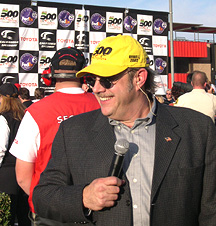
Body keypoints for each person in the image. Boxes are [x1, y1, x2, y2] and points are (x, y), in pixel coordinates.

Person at [33, 35, 216, 226]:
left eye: (106, 80)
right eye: (91, 79)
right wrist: (83, 197)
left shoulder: (197, 129)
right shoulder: (73, 131)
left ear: (138, 78)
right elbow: (43, 197)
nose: (96, 88)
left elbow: (211, 209)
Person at [9, 47, 100, 225]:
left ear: (50, 74)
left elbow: (22, 176)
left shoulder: (36, 111)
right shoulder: (103, 105)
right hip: (96, 209)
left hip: (50, 211)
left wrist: (49, 201)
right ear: (84, 73)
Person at [0, 83, 30, 226]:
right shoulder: (26, 116)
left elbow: (1, 148)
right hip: (25, 170)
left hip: (7, 174)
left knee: (7, 218)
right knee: (24, 217)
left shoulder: (3, 118)